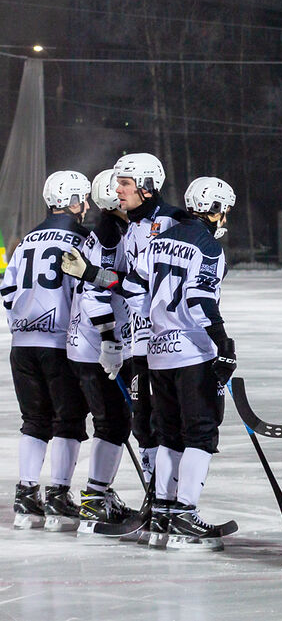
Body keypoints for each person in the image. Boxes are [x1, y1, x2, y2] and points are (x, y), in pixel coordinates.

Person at [132, 177, 237, 550]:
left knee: (169, 435)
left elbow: (133, 289)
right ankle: (183, 516)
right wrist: (224, 343)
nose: (225, 217)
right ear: (215, 209)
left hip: (158, 352)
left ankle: (162, 513)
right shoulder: (208, 245)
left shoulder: (158, 241)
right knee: (200, 435)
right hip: (192, 351)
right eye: (225, 210)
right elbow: (199, 298)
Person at [2, 171, 94, 531]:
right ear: (73, 202)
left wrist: (23, 322)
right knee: (68, 421)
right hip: (59, 345)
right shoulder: (81, 240)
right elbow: (86, 294)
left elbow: (7, 291)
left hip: (23, 345)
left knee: (34, 421)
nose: (86, 206)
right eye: (83, 199)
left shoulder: (27, 240)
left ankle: (26, 496)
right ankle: (58, 495)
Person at [58, 169, 137, 531]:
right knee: (113, 423)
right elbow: (95, 291)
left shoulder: (110, 230)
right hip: (95, 346)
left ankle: (98, 494)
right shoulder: (109, 234)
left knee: (114, 422)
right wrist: (109, 339)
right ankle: (95, 498)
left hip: (86, 343)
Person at [109, 152, 183, 502]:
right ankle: (157, 499)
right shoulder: (132, 227)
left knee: (171, 426)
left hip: (170, 345)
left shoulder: (173, 221)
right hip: (140, 343)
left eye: (125, 183)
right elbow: (128, 282)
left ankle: (172, 500)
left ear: (147, 187)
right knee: (143, 424)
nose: (118, 190)